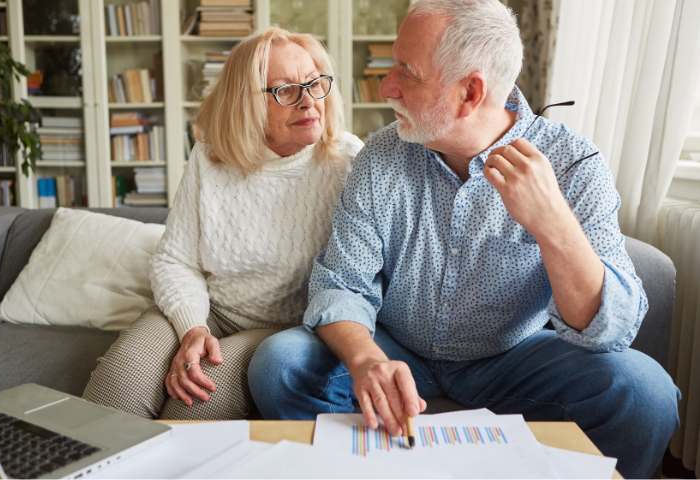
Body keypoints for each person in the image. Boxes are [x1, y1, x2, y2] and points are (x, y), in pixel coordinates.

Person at [247, 1, 679, 477]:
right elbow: (342, 283)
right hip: (399, 348)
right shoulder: (381, 156)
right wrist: (367, 358)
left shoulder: (573, 163)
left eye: (406, 73)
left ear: (470, 92)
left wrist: (553, 224)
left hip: (516, 356)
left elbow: (610, 329)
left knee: (645, 393)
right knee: (279, 364)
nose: (386, 87)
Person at [82, 27, 363, 420]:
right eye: (284, 90)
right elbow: (175, 260)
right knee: (117, 387)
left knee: (193, 402)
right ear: (246, 103)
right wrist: (192, 328)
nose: (308, 101)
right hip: (212, 310)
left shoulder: (348, 161)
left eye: (315, 83)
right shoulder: (210, 156)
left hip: (286, 329)